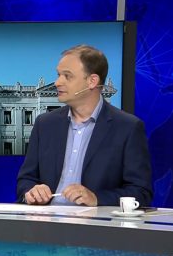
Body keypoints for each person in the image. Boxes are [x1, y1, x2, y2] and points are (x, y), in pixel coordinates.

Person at [16, 45, 153, 207]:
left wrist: (96, 198)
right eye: (58, 75)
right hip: (46, 219)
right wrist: (31, 192)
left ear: (92, 81)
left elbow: (141, 192)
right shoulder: (45, 124)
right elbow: (25, 180)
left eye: (67, 76)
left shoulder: (128, 127)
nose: (57, 82)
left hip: (95, 221)